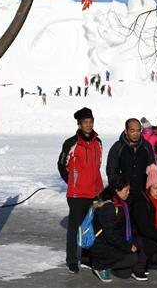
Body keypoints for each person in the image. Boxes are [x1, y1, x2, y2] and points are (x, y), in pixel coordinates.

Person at [57, 107, 104, 273]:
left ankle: (86, 258)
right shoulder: (71, 143)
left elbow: (97, 166)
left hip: (94, 192)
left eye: (91, 122)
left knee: (91, 226)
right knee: (75, 228)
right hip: (77, 194)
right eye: (85, 122)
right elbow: (62, 165)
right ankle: (71, 259)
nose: (89, 125)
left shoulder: (98, 142)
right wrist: (71, 183)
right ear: (79, 124)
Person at [91, 174, 139, 282]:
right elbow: (111, 235)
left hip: (110, 244)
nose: (128, 193)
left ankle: (108, 265)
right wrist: (128, 246)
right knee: (133, 257)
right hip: (102, 248)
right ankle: (99, 266)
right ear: (117, 190)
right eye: (126, 190)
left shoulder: (118, 202)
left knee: (125, 273)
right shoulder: (108, 207)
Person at [107, 118, 156, 194]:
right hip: (123, 192)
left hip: (142, 192)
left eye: (138, 130)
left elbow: (152, 169)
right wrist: (119, 188)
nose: (135, 134)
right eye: (132, 131)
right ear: (126, 131)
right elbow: (111, 170)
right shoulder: (118, 147)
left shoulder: (146, 146)